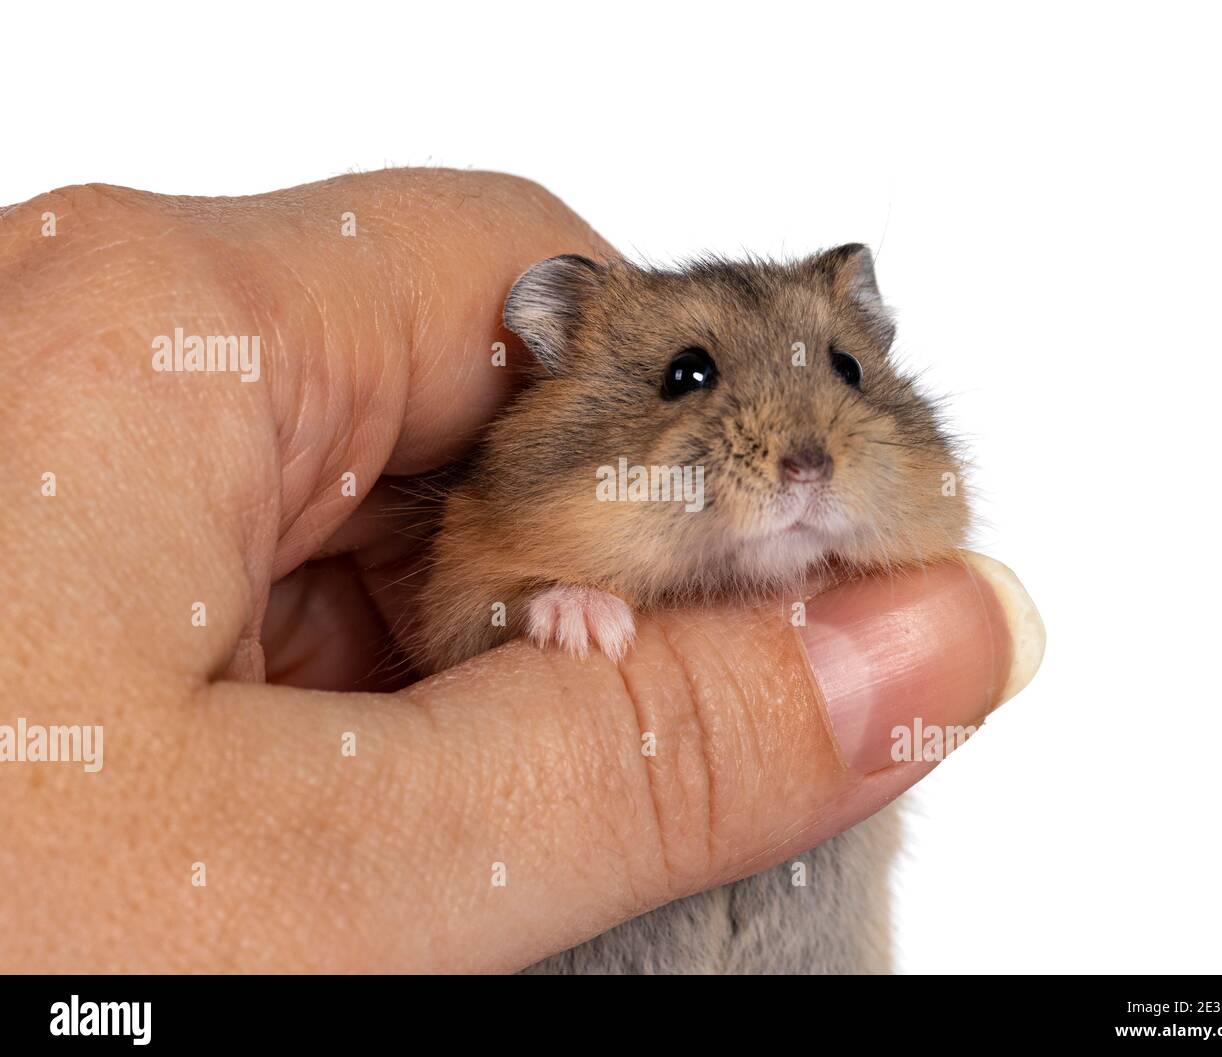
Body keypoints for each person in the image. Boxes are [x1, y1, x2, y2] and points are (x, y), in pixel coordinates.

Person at [0, 169, 1043, 972]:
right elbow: (462, 611)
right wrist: (536, 607)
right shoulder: (513, 533)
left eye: (845, 369)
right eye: (689, 375)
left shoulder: (881, 518)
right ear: (557, 350)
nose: (803, 446)